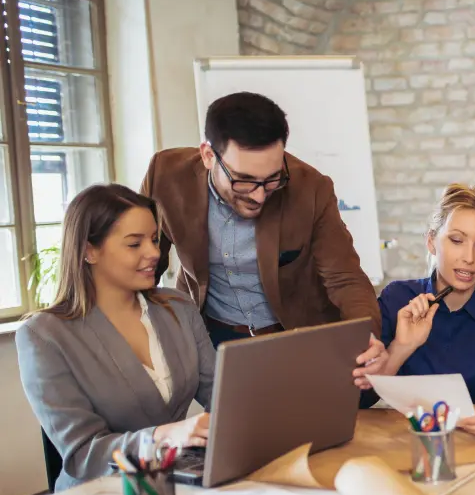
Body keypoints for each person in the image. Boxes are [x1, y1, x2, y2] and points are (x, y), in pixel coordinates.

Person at [139, 91, 381, 349]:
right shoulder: (165, 176)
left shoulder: (311, 189)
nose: (259, 195)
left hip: (295, 334)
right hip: (209, 333)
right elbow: (143, 262)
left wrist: (366, 339)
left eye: (272, 179)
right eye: (244, 180)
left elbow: (344, 278)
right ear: (209, 156)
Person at [16, 185, 215, 491]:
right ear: (88, 251)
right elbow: (82, 453)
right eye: (134, 244)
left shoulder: (179, 307)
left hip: (179, 484)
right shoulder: (43, 336)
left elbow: (220, 394)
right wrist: (164, 435)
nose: (154, 253)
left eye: (153, 239)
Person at [363, 184, 475, 437]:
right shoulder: (397, 298)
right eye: (456, 240)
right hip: (411, 444)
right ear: (431, 241)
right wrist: (401, 346)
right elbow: (361, 399)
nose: (469, 257)